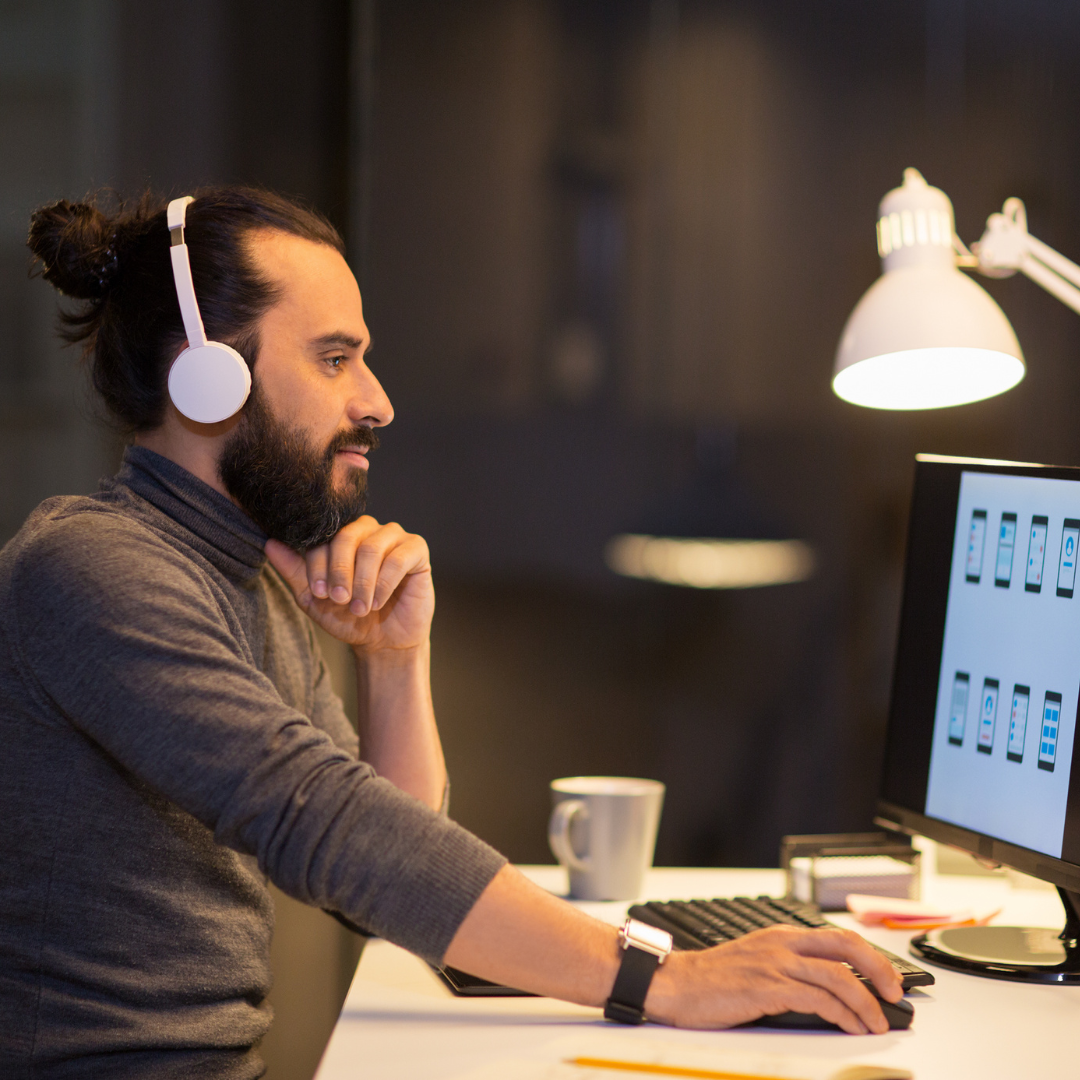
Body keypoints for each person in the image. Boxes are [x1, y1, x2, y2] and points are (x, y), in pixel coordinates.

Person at [0, 188, 902, 1078]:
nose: (378, 401)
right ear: (208, 378)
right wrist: (663, 978)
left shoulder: (247, 577)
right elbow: (333, 828)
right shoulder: (91, 570)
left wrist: (394, 659)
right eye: (333, 359)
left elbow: (384, 864)